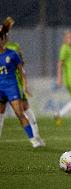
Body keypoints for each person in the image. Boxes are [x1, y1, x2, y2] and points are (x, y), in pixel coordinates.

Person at [0, 17, 44, 148]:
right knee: (0, 114)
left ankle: (33, 139)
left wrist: (25, 86)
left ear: (3, 40)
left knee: (19, 113)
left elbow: (22, 71)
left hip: (11, 87)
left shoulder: (12, 54)